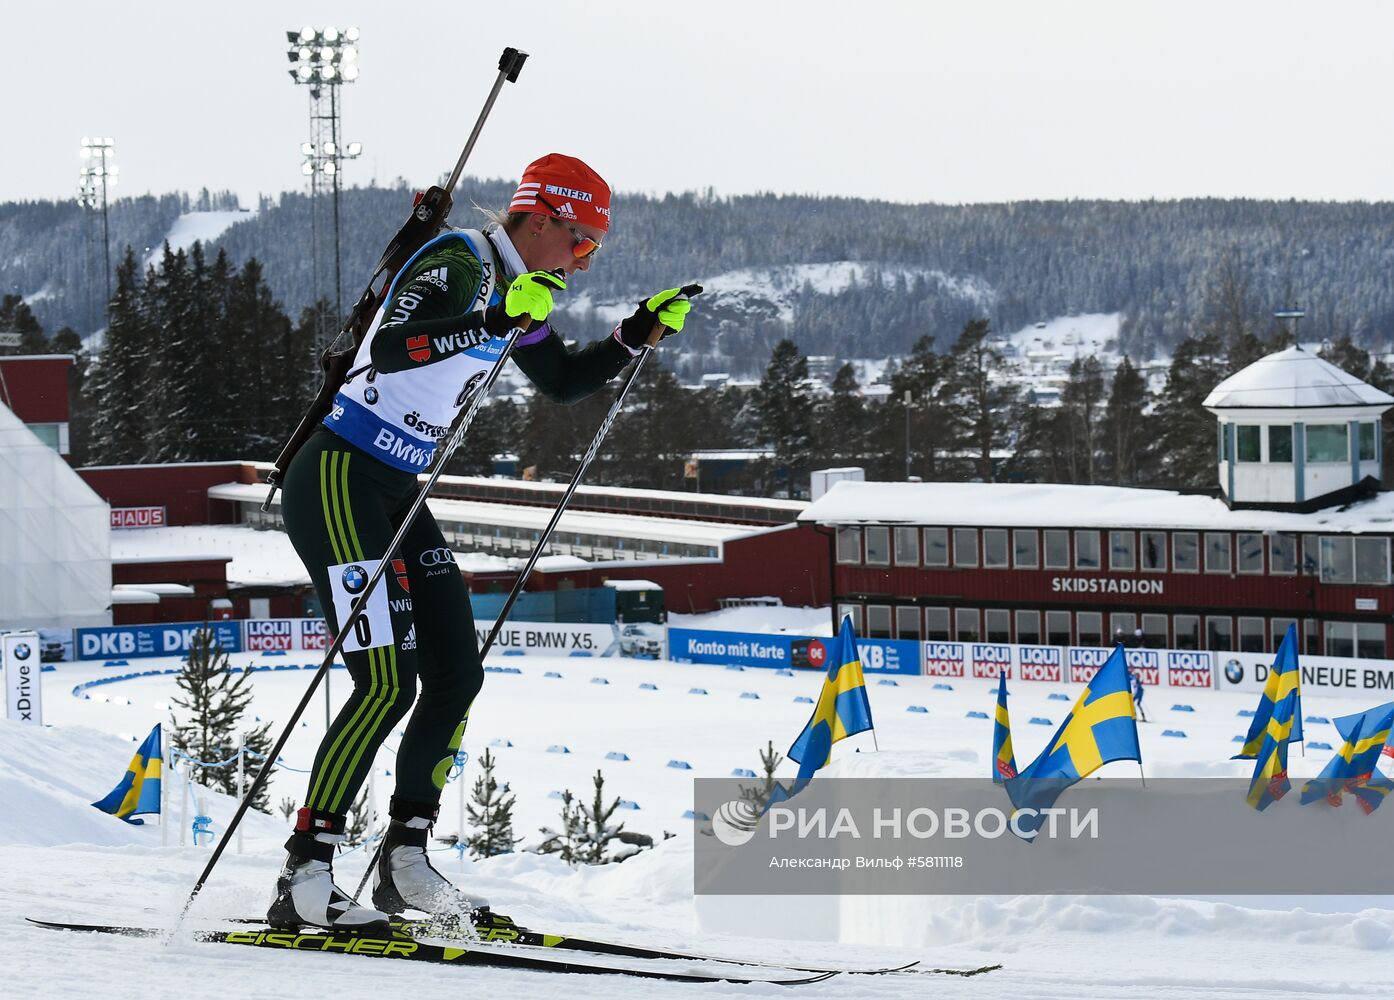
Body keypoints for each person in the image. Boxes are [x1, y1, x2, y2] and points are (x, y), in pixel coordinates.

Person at [267, 153, 695, 932]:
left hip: (397, 485)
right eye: (581, 240)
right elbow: (394, 347)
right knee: (384, 683)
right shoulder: (461, 262)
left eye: (594, 248)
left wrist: (634, 334)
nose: (583, 260)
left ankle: (404, 864)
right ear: (541, 220)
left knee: (457, 675)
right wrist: (494, 321)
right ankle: (306, 873)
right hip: (338, 474)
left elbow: (561, 380)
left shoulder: (519, 289)